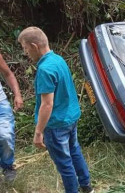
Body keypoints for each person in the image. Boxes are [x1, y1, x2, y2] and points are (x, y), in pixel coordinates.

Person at [18, 27, 94, 193]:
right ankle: (87, 187)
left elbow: (47, 104)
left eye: (25, 48)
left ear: (34, 46)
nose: (26, 53)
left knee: (64, 163)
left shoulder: (45, 70)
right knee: (74, 152)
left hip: (56, 124)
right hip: (71, 118)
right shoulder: (58, 59)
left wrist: (39, 131)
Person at [0, 53, 23, 182]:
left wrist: (17, 95)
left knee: (5, 135)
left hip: (1, 104)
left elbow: (8, 74)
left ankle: (8, 166)